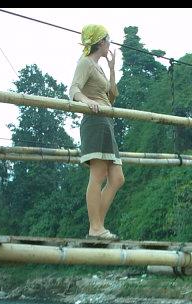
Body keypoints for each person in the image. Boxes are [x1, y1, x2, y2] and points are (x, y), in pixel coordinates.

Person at [69, 24, 124, 241]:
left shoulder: (99, 67)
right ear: (100, 42)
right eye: (108, 39)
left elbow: (113, 96)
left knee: (117, 178)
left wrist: (111, 68)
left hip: (106, 123)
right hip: (94, 122)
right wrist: (87, 101)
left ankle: (97, 226)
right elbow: (73, 89)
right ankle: (96, 228)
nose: (110, 43)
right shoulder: (85, 63)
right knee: (99, 175)